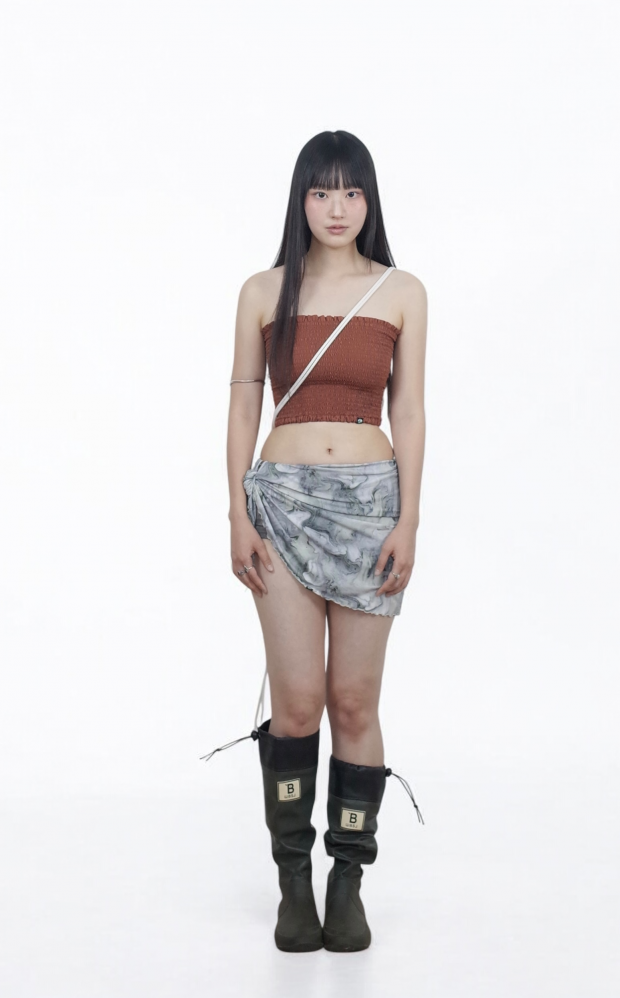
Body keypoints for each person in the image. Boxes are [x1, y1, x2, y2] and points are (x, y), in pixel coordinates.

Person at [220, 130, 426, 953]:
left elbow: (409, 409)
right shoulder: (263, 290)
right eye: (320, 191)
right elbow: (244, 401)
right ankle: (293, 883)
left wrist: (409, 519)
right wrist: (236, 512)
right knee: (299, 701)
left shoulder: (401, 291)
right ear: (299, 199)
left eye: (351, 191)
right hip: (279, 503)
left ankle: (348, 881)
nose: (336, 208)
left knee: (354, 702)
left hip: (373, 509)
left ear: (369, 201)